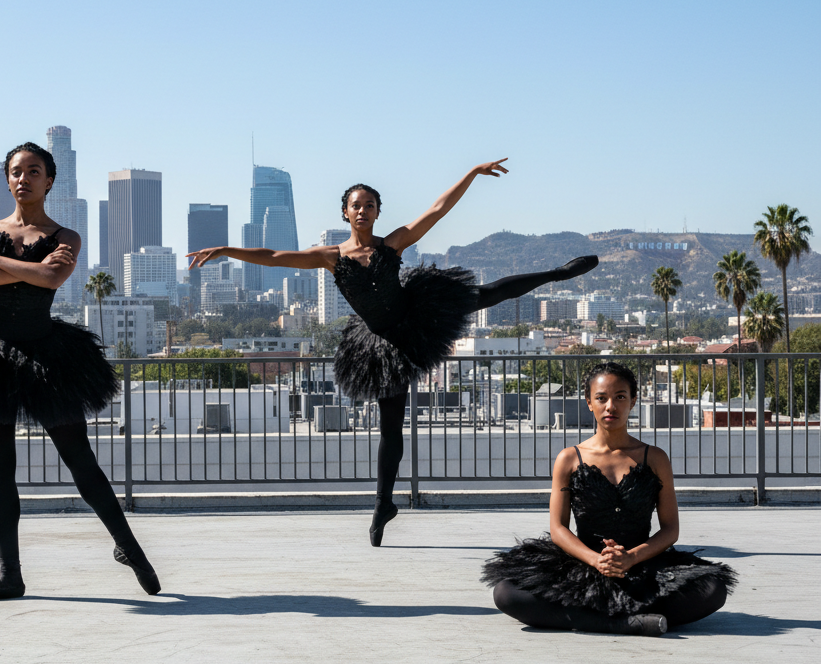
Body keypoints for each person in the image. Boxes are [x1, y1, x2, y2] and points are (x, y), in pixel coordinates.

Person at [187, 159, 598, 546]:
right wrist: (226, 250)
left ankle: (557, 273)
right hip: (382, 345)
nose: (362, 211)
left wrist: (472, 172)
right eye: (356, 205)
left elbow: (437, 210)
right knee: (390, 428)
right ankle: (384, 502)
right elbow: (274, 257)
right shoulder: (330, 257)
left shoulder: (392, 245)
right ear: (345, 213)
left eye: (369, 205)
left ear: (377, 212)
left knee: (486, 294)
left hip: (417, 315)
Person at [0, 142, 160, 601]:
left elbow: (50, 279)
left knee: (80, 460)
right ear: (7, 180)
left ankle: (129, 548)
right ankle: (10, 575)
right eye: (16, 171)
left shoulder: (66, 237)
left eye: (33, 171)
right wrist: (24, 268)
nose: (23, 178)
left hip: (47, 357)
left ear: (49, 181)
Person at [482, 362, 735, 634]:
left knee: (713, 590)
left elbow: (670, 529)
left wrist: (631, 558)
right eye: (601, 398)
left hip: (642, 563)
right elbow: (558, 528)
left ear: (633, 401)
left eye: (620, 397)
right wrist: (596, 560)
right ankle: (628, 623)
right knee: (506, 593)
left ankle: (589, 619)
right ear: (589, 402)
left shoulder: (655, 458)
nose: (610, 406)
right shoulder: (569, 459)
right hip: (583, 562)